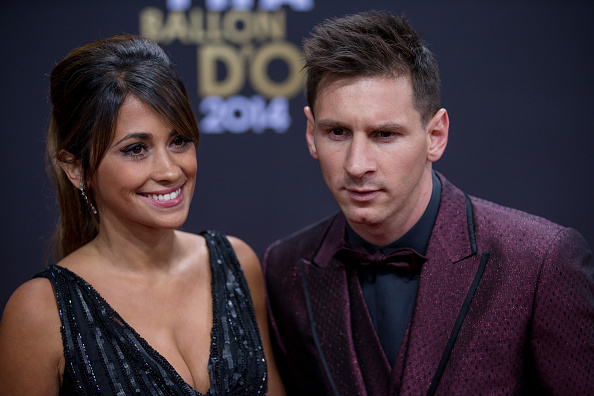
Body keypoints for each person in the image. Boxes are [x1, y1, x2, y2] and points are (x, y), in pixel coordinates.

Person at [262, 10, 593, 395]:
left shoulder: (540, 262)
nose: (356, 165)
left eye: (384, 134)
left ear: (435, 135)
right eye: (336, 132)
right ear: (310, 133)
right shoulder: (284, 268)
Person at [0, 34, 285, 395]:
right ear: (75, 168)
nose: (169, 170)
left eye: (179, 140)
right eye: (136, 149)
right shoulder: (39, 312)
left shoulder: (237, 263)